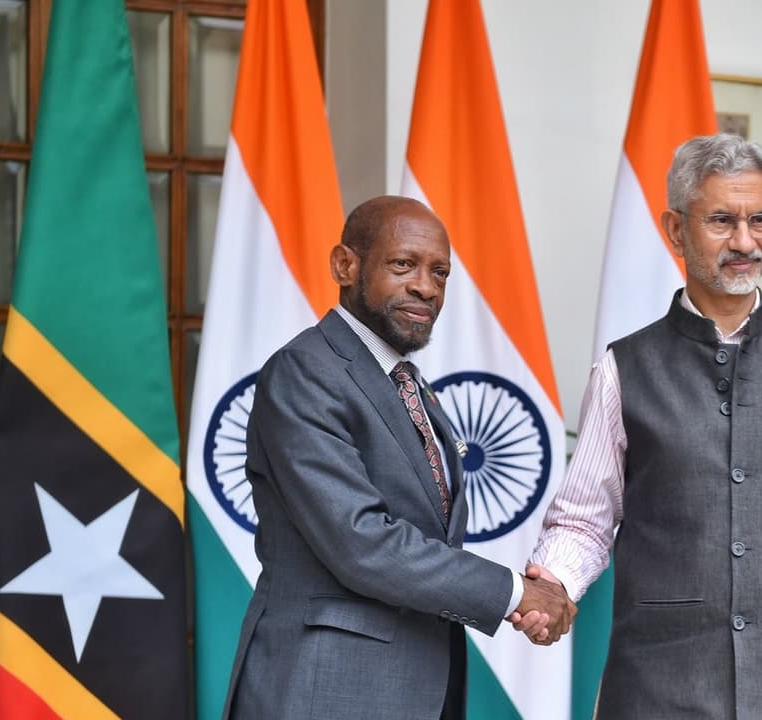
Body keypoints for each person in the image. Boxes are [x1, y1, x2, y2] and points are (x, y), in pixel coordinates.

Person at [522, 134, 762, 719]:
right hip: (658, 692)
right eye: (722, 220)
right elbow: (585, 519)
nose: (745, 242)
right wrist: (554, 583)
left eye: (760, 220)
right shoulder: (625, 368)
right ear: (674, 230)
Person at [221, 195, 574, 720]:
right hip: (324, 692)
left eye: (440, 273)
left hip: (412, 689)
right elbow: (361, 541)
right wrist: (514, 593)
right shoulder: (306, 372)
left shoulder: (406, 382)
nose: (426, 287)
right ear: (346, 265)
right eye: (402, 265)